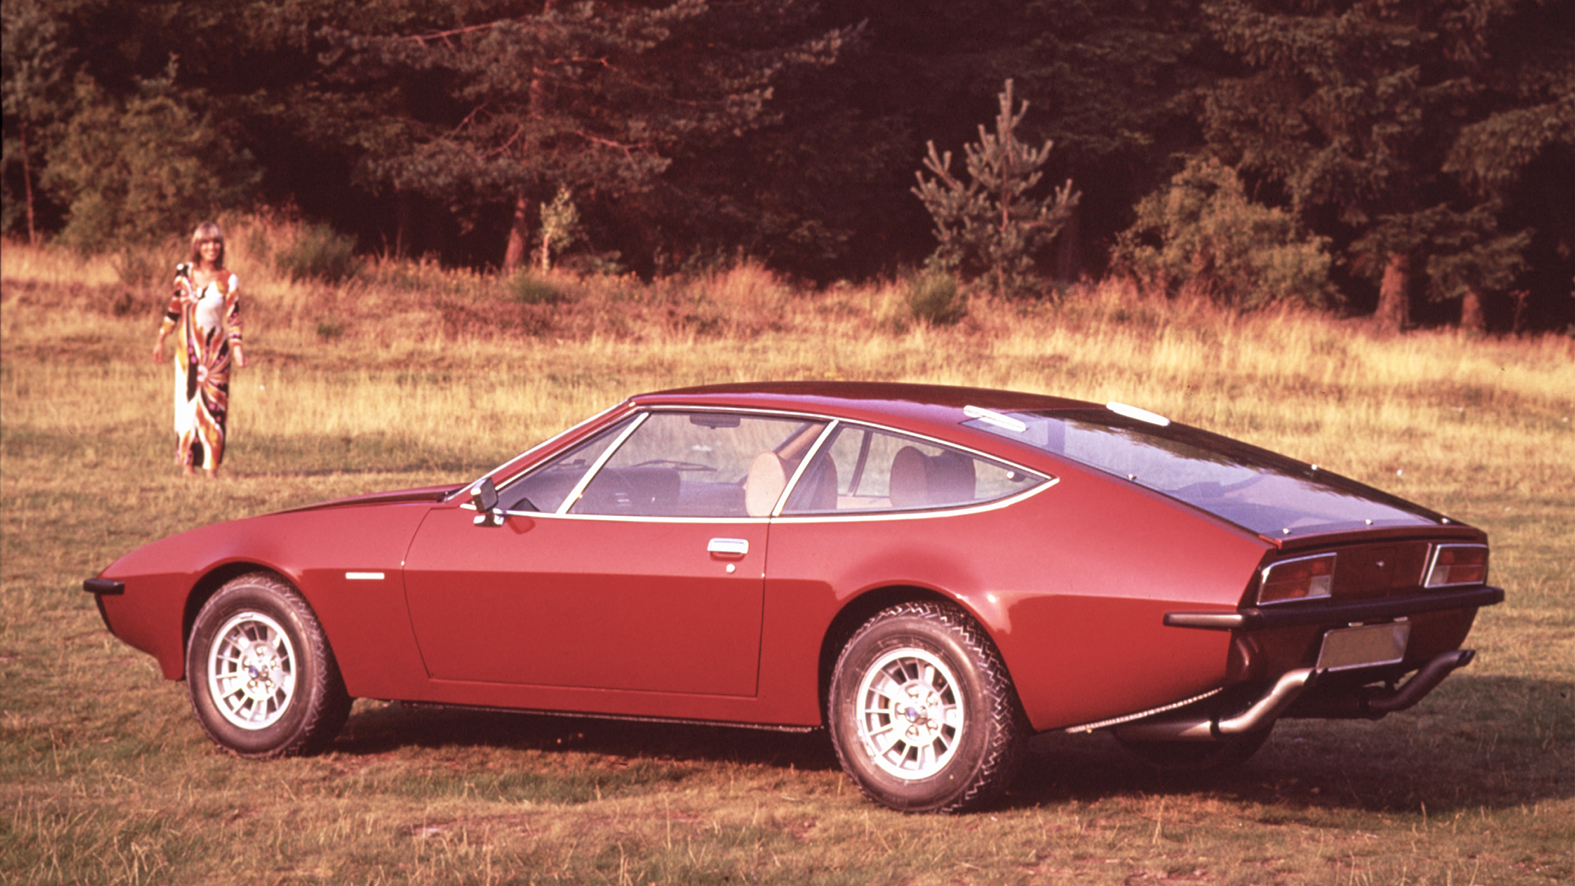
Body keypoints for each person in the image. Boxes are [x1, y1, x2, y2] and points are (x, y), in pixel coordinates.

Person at [151, 221, 248, 478]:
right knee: (187, 408)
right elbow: (174, 308)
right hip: (187, 355)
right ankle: (188, 465)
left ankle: (211, 468)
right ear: (197, 246)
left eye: (215, 242)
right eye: (205, 242)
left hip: (215, 357)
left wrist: (237, 348)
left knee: (214, 410)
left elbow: (234, 317)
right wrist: (161, 338)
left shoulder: (228, 279)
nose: (211, 247)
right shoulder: (183, 273)